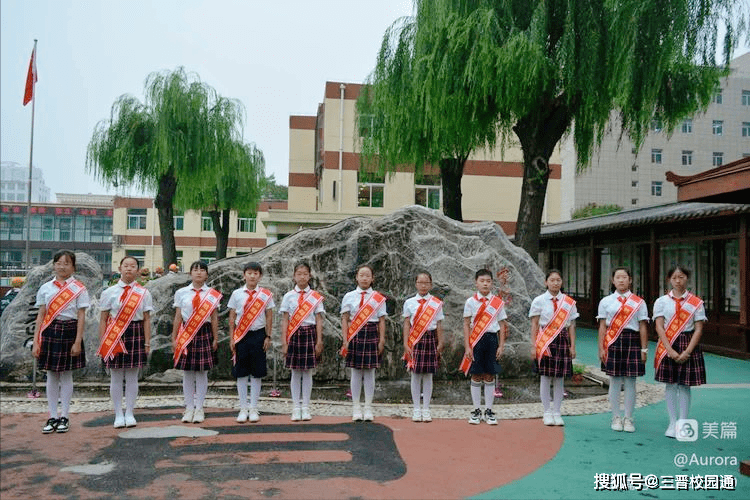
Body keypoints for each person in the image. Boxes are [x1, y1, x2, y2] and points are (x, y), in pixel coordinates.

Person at [32, 250, 89, 434]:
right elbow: (41, 315)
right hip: (50, 330)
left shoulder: (79, 288)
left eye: (66, 263)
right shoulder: (46, 288)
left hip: (70, 330)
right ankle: (52, 416)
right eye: (59, 262)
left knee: (66, 375)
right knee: (51, 375)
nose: (62, 266)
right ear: (53, 265)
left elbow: (81, 316)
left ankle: (65, 416)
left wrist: (78, 341)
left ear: (73, 267)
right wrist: (36, 340)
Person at [98, 256, 153, 428]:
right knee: (115, 376)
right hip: (114, 335)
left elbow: (146, 319)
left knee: (132, 376)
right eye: (126, 266)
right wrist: (103, 342)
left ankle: (129, 412)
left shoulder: (144, 293)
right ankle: (118, 414)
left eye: (133, 266)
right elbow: (103, 319)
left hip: (136, 332)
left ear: (138, 270)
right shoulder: (109, 292)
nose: (129, 269)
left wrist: (147, 343)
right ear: (120, 268)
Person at [653, 265, 707, 438]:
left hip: (688, 342)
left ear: (687, 278)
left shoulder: (696, 302)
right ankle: (672, 422)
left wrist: (687, 352)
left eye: (681, 277)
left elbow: (698, 329)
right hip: (668, 343)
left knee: (684, 385)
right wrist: (669, 350)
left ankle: (683, 423)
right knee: (670, 384)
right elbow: (659, 327)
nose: (678, 280)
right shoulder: (661, 301)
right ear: (669, 279)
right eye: (675, 277)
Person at [597, 267, 649, 433]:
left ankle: (629, 418)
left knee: (631, 381)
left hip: (632, 341)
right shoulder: (605, 301)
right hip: (612, 341)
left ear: (630, 280)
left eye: (624, 277)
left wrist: (644, 349)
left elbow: (642, 326)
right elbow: (602, 327)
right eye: (618, 277)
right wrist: (601, 348)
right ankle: (616, 416)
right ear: (613, 280)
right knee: (614, 380)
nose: (621, 280)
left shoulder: (639, 302)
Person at [172, 261, 221, 424]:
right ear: (190, 273)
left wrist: (215, 338)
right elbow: (178, 316)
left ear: (207, 275)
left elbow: (214, 317)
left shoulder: (212, 294)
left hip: (205, 331)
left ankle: (199, 408)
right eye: (195, 269)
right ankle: (189, 408)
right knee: (187, 372)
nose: (199, 272)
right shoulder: (181, 292)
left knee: (202, 372)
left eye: (202, 270)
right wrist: (174, 338)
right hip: (186, 332)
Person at [529, 269, 578, 426]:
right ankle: (547, 412)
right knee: (545, 377)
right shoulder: (539, 300)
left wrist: (572, 346)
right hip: (545, 341)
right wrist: (533, 345)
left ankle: (557, 411)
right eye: (552, 280)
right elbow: (535, 324)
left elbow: (572, 326)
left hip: (562, 339)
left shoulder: (568, 302)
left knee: (560, 378)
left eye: (558, 280)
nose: (555, 283)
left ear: (561, 282)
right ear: (546, 282)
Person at [227, 262, 275, 423]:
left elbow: (269, 316)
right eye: (249, 273)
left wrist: (268, 336)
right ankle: (243, 407)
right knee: (241, 372)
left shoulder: (265, 295)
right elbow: (232, 316)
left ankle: (254, 407)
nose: (252, 276)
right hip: (241, 335)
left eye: (256, 273)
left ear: (260, 276)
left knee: (257, 372)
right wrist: (232, 337)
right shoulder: (236, 294)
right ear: (244, 275)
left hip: (259, 335)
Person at [340, 264, 387, 422]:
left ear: (372, 278)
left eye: (368, 275)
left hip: (372, 332)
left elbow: (381, 320)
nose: (365, 278)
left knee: (370, 372)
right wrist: (345, 339)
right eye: (362, 275)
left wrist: (382, 339)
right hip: (355, 334)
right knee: (355, 372)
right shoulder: (349, 296)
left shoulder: (378, 298)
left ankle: (368, 406)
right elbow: (345, 319)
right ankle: (356, 406)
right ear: (357, 277)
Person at [461, 269, 507, 425]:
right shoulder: (470, 302)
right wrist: (467, 346)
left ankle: (488, 410)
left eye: (488, 281)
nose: (485, 283)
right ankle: (476, 410)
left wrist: (501, 345)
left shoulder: (497, 302)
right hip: (476, 341)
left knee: (489, 375)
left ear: (492, 283)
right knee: (476, 374)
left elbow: (502, 324)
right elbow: (466, 324)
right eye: (482, 280)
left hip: (492, 339)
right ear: (476, 282)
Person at [279, 262, 324, 421]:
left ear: (310, 276)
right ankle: (295, 407)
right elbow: (285, 320)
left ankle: (306, 407)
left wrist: (319, 341)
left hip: (310, 333)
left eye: (305, 273)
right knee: (295, 372)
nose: (302, 276)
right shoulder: (288, 296)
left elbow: (319, 319)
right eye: (299, 273)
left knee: (308, 372)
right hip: (294, 335)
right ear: (294, 276)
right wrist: (284, 342)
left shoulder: (315, 296)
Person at [402, 271, 444, 422]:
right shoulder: (409, 302)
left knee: (428, 375)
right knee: (415, 374)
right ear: (416, 284)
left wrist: (440, 342)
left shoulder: (436, 303)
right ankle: (416, 408)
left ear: (431, 284)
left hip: (430, 338)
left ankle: (426, 408)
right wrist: (406, 343)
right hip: (415, 340)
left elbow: (439, 323)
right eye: (420, 282)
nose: (423, 285)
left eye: (426, 282)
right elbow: (407, 324)